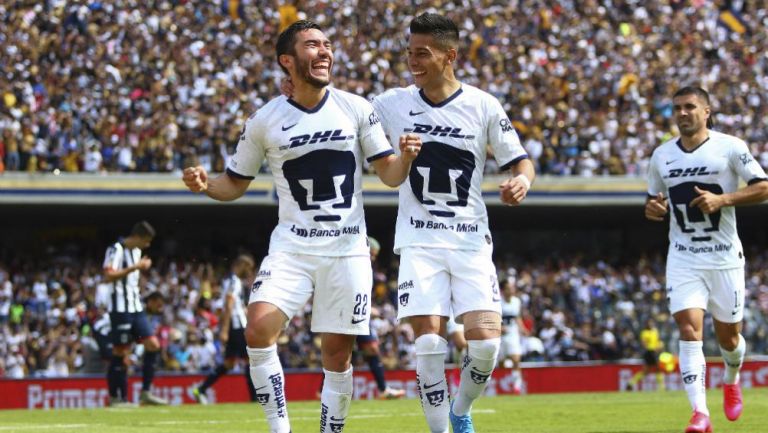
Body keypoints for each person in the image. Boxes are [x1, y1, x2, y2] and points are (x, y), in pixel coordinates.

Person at [182, 20, 420, 433]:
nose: (325, 51)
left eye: (327, 44)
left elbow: (391, 176)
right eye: (313, 45)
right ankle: (280, 429)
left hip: (347, 249)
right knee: (257, 329)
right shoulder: (264, 120)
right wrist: (206, 186)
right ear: (288, 61)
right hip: (291, 247)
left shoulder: (356, 108)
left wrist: (407, 158)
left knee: (337, 356)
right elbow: (234, 184)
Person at [373, 13, 535, 433]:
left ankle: (460, 410)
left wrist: (521, 180)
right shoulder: (391, 104)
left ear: (450, 56)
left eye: (422, 54)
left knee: (485, 345)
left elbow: (519, 160)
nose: (413, 61)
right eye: (409, 53)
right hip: (418, 241)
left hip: (469, 241)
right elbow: (345, 118)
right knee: (428, 342)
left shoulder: (482, 105)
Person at [645, 86, 768, 433]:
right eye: (677, 108)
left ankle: (731, 377)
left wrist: (723, 200)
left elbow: (763, 186)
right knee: (689, 329)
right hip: (684, 258)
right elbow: (653, 199)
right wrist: (652, 208)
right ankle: (700, 413)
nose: (683, 113)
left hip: (724, 258)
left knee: (729, 340)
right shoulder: (661, 155)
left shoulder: (730, 147)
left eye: (690, 107)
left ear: (707, 111)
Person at [103, 220, 168, 406]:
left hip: (136, 307)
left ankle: (146, 393)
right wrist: (135, 267)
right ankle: (116, 397)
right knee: (120, 352)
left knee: (153, 344)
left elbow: (132, 279)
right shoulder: (116, 249)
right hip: (119, 308)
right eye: (146, 241)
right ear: (138, 237)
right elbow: (108, 275)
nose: (147, 245)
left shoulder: (137, 252)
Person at [193, 254, 257, 404]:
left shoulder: (228, 280)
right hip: (236, 326)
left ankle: (201, 389)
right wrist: (224, 329)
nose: (249, 272)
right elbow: (229, 303)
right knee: (250, 360)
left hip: (233, 326)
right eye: (248, 268)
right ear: (242, 265)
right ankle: (254, 399)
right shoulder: (234, 281)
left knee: (229, 363)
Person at [499, 278, 526, 395]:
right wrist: (499, 327)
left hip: (512, 333)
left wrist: (522, 328)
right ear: (503, 290)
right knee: (501, 363)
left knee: (516, 359)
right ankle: (500, 385)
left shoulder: (516, 301)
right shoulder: (497, 302)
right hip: (499, 336)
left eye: (512, 288)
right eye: (509, 288)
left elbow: (517, 316)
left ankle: (516, 386)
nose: (512, 290)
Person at [626, 318, 665, 391]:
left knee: (646, 371)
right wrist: (652, 348)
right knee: (658, 369)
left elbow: (658, 340)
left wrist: (660, 346)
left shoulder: (655, 331)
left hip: (654, 352)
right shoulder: (644, 332)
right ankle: (661, 388)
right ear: (646, 324)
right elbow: (643, 343)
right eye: (649, 323)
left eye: (651, 323)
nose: (650, 324)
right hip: (650, 352)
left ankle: (631, 383)